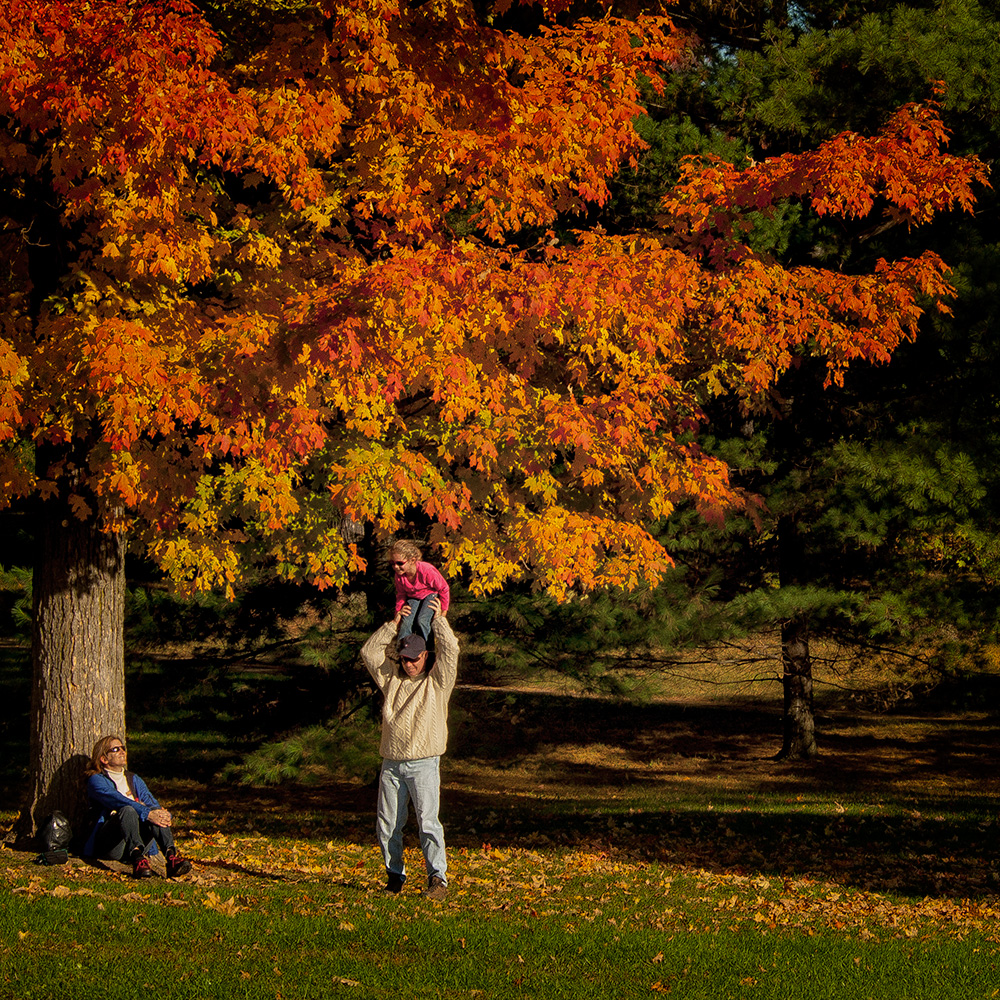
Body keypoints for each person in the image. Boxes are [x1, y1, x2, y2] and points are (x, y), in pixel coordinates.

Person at [361, 595, 458, 901]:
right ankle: (394, 877)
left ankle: (437, 879)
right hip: (391, 762)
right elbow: (369, 651)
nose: (411, 663)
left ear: (426, 656)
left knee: (428, 823)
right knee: (388, 824)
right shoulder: (392, 679)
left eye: (416, 658)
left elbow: (452, 650)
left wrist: (439, 619)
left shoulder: (438, 682)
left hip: (424, 762)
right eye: (405, 658)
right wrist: (394, 623)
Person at [82, 735, 192, 879]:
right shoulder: (96, 780)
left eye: (123, 748)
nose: (122, 752)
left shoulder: (133, 779)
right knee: (128, 809)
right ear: (104, 759)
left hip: (138, 838)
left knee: (155, 813)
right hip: (111, 844)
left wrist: (164, 815)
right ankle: (138, 860)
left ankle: (171, 858)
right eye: (116, 749)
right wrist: (145, 811)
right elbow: (117, 800)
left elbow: (152, 803)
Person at [390, 541, 450, 646]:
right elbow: (401, 594)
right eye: (392, 563)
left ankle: (427, 650)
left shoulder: (426, 570)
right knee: (406, 622)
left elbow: (444, 588)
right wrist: (398, 612)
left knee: (422, 620)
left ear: (412, 560)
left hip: (430, 594)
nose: (395, 567)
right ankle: (403, 650)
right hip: (412, 597)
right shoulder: (399, 576)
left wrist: (443, 613)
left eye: (400, 563)